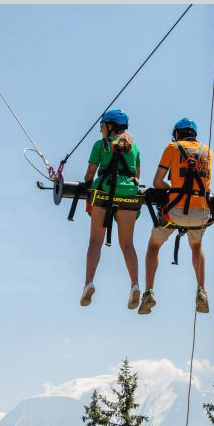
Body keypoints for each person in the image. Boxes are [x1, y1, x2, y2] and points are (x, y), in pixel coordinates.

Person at [138, 118, 213, 315]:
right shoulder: (208, 151)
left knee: (154, 246)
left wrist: (174, 189)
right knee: (196, 246)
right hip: (202, 212)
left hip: (175, 212)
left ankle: (149, 292)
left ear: (177, 134)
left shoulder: (172, 147)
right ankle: (201, 289)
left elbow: (157, 182)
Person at [80, 109, 142, 309]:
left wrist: (87, 182)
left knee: (95, 240)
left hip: (105, 192)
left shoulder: (100, 145)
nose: (100, 129)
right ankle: (135, 284)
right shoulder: (134, 148)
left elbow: (90, 173)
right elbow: (137, 176)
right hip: (130, 196)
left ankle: (88, 282)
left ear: (110, 126)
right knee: (127, 245)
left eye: (102, 125)